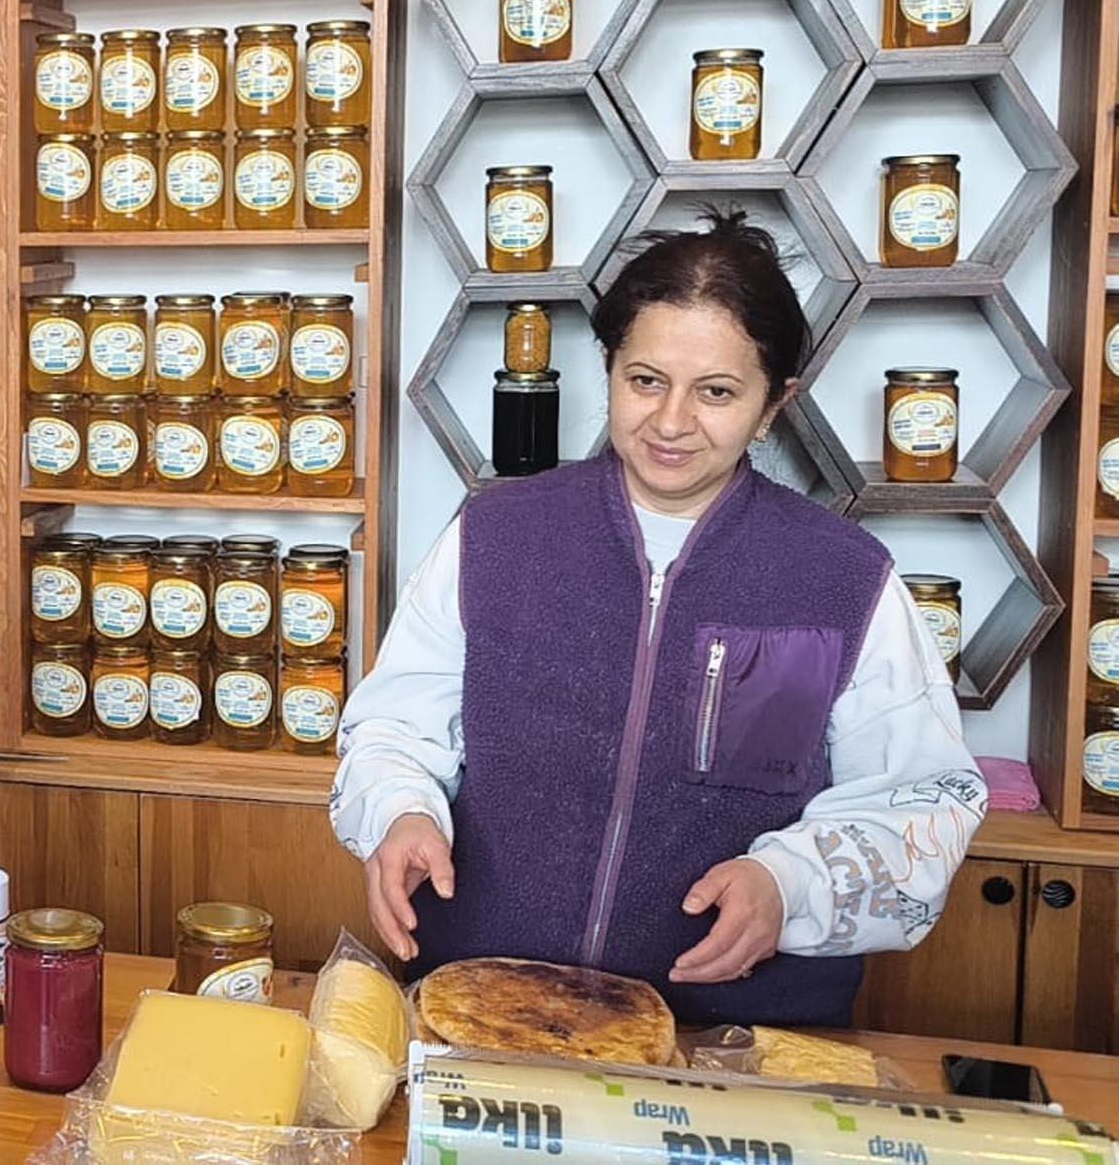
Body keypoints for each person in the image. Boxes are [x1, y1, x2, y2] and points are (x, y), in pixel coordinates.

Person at [332, 209, 983, 1026]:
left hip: (738, 1036)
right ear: (609, 369)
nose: (672, 422)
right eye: (645, 381)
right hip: (489, 1009)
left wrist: (790, 884)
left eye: (717, 392)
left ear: (774, 404)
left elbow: (922, 802)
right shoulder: (494, 536)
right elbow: (393, 728)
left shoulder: (844, 578)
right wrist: (400, 811)